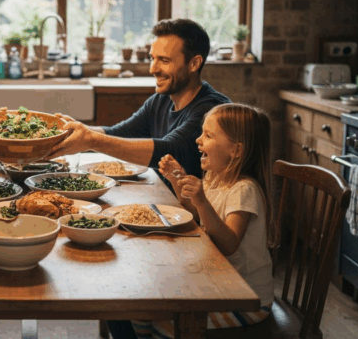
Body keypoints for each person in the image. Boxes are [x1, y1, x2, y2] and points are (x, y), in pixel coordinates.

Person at [109, 104, 275, 339]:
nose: (198, 140)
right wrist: (178, 179)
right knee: (138, 313)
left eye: (208, 135)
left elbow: (228, 244)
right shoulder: (216, 177)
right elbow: (196, 216)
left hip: (245, 298)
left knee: (165, 325)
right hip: (215, 282)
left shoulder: (244, 190)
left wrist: (202, 200)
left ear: (236, 151)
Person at [49, 19, 230, 190]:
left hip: (200, 218)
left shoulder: (212, 110)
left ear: (194, 63)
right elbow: (121, 132)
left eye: (164, 61)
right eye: (153, 58)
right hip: (170, 202)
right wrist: (78, 130)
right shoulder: (162, 100)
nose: (153, 69)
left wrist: (90, 140)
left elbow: (168, 151)